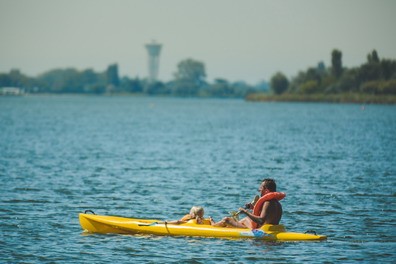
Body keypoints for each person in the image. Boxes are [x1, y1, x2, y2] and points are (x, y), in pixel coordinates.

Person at [212, 179, 283, 228]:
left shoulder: (268, 203)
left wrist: (245, 212)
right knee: (245, 219)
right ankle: (227, 225)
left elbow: (261, 221)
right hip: (272, 229)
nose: (259, 190)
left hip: (262, 231)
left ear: (266, 191)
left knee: (226, 219)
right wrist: (252, 207)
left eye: (260, 189)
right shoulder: (277, 203)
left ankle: (213, 226)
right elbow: (267, 215)